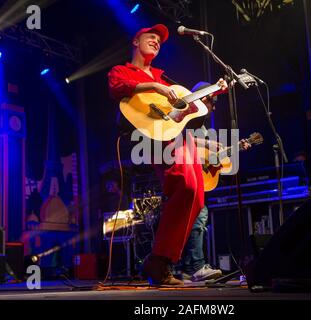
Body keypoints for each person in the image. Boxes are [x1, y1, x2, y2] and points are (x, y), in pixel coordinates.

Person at [108, 24, 207, 286]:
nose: (156, 41)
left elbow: (174, 115)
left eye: (160, 40)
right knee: (184, 186)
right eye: (151, 37)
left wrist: (189, 110)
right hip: (152, 136)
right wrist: (154, 86)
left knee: (196, 194)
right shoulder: (123, 71)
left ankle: (161, 262)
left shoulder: (166, 78)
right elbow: (117, 87)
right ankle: (160, 260)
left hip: (176, 134)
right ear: (135, 40)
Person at [179, 82, 251, 282]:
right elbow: (180, 137)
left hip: (197, 177)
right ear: (203, 98)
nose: (215, 106)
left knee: (196, 221)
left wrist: (233, 150)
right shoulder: (189, 117)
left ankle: (186, 268)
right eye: (213, 100)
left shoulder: (202, 126)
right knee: (199, 219)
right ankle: (196, 266)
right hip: (185, 175)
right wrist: (207, 143)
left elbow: (210, 160)